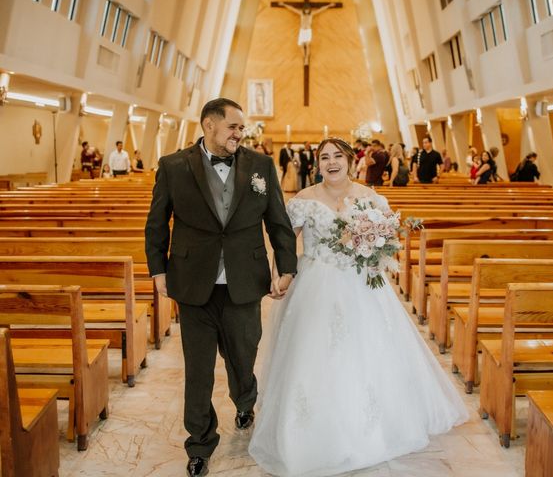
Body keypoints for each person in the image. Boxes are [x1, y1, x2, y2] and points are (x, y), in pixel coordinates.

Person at [249, 137, 468, 477]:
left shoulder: (370, 197)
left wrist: (372, 251)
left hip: (360, 284)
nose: (331, 162)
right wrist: (280, 275)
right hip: (315, 282)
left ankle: (372, 424)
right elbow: (285, 242)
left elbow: (387, 242)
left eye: (338, 156)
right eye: (324, 157)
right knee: (313, 353)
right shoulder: (304, 199)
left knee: (367, 351)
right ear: (317, 164)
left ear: (351, 160)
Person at [144, 98, 298, 477]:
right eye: (233, 126)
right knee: (198, 370)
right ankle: (199, 444)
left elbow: (278, 220)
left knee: (243, 357)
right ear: (209, 125)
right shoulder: (174, 166)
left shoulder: (260, 166)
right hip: (193, 283)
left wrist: (287, 267)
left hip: (244, 281)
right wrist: (157, 270)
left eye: (241, 128)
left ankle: (245, 400)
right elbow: (157, 223)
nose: (239, 134)